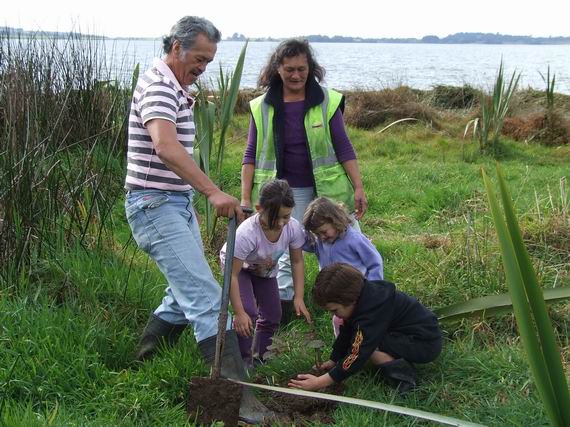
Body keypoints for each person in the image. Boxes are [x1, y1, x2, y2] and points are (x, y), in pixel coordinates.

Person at [124, 16, 271, 423]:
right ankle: (238, 399)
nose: (203, 67)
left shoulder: (175, 86)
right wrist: (211, 191)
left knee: (181, 291)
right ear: (176, 47)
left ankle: (145, 357)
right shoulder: (158, 85)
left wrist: (198, 193)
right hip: (154, 206)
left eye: (209, 61)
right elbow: (166, 147)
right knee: (207, 298)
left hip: (173, 202)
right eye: (199, 58)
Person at [240, 38, 368, 325]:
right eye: (289, 70)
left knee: (347, 240)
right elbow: (249, 154)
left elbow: (344, 146)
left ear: (311, 68)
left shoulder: (328, 100)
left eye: (301, 69)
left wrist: (358, 186)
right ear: (277, 70)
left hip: (329, 190)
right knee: (284, 245)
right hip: (285, 192)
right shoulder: (261, 107)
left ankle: (357, 297)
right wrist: (245, 199)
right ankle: (284, 308)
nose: (296, 75)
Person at [289, 263, 442, 394]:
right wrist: (334, 359)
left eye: (334, 310)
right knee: (362, 341)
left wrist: (319, 382)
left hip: (424, 343)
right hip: (406, 334)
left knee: (370, 349)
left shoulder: (370, 314)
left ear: (350, 300)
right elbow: (348, 330)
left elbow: (357, 354)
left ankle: (407, 382)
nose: (335, 315)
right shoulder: (363, 297)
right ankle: (396, 360)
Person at [220, 179, 311, 366]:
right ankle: (243, 362)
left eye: (285, 216)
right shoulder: (246, 234)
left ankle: (261, 357)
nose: (280, 223)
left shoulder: (292, 227)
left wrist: (299, 297)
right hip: (239, 268)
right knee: (248, 313)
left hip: (264, 269)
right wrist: (238, 312)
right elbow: (233, 275)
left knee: (272, 314)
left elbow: (296, 261)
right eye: (274, 217)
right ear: (259, 208)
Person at [303, 197, 384, 336]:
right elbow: (303, 243)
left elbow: (375, 261)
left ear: (335, 220)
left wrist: (374, 287)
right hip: (335, 293)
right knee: (340, 321)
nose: (321, 237)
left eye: (324, 231)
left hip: (356, 291)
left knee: (362, 321)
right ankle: (345, 349)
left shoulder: (354, 239)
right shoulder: (321, 242)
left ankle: (369, 347)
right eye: (317, 234)